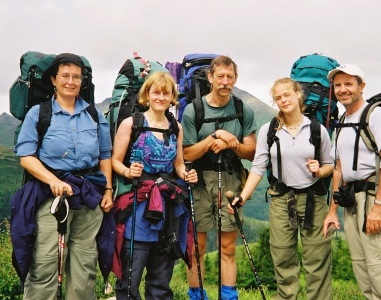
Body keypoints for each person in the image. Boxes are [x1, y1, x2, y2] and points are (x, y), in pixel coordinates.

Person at [13, 53, 113, 299]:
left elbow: (105, 156)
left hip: (89, 197)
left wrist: (108, 190)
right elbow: (26, 156)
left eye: (76, 77)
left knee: (85, 265)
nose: (71, 81)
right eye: (65, 76)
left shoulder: (93, 114)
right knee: (46, 262)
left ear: (83, 81)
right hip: (51, 197)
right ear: (54, 80)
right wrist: (54, 181)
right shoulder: (39, 114)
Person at [228, 77, 334, 299]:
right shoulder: (269, 130)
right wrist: (243, 197)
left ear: (298, 94)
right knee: (282, 256)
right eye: (278, 97)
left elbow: (330, 166)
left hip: (314, 199)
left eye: (287, 94)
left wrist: (320, 170)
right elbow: (258, 167)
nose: (283, 100)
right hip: (281, 199)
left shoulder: (317, 129)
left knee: (318, 258)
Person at [323, 64, 381, 299]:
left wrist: (379, 207)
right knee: (364, 272)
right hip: (352, 203)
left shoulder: (378, 115)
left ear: (361, 87)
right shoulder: (342, 121)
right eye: (338, 85)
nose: (342, 89)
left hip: (375, 199)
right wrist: (333, 211)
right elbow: (339, 169)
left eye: (348, 84)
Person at [111, 71, 198, 300]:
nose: (160, 97)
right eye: (155, 92)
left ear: (172, 97)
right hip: (138, 203)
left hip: (167, 207)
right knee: (131, 277)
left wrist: (187, 174)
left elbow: (178, 164)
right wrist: (128, 171)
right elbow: (115, 161)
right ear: (146, 95)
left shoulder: (175, 127)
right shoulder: (131, 124)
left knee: (161, 278)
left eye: (165, 93)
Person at [182, 55, 257, 300]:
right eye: (220, 76)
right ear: (210, 77)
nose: (225, 82)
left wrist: (231, 144)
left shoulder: (241, 109)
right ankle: (197, 296)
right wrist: (215, 137)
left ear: (235, 78)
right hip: (200, 181)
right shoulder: (194, 110)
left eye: (230, 77)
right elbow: (186, 153)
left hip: (231, 180)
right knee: (197, 248)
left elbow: (252, 151)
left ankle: (228, 296)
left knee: (227, 247)